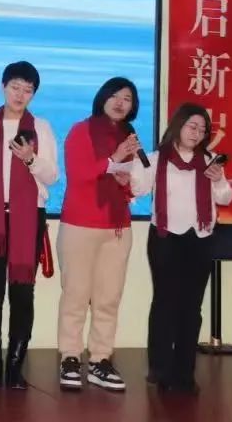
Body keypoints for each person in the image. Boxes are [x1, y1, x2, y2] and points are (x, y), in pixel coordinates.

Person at [130, 103, 232, 394]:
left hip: (200, 238)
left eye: (202, 129)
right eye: (192, 126)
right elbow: (138, 189)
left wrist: (219, 179)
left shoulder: (210, 160)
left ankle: (185, 372)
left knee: (192, 307)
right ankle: (160, 368)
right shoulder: (156, 158)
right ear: (178, 125)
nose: (197, 133)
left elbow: (225, 198)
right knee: (165, 303)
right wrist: (135, 164)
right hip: (165, 237)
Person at [0, 61, 59, 390]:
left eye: (28, 90)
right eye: (15, 87)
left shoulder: (42, 128)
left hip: (29, 216)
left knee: (23, 291)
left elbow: (52, 176)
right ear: (3, 87)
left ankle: (16, 366)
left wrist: (30, 158)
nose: (21, 95)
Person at [56, 77, 143, 392]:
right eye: (115, 96)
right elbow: (79, 174)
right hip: (80, 224)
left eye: (127, 99)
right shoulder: (81, 130)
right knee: (76, 294)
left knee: (109, 298)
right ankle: (70, 357)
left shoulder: (129, 137)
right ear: (102, 97)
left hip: (117, 228)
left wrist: (127, 182)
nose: (120, 103)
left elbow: (131, 185)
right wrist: (114, 159)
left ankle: (100, 360)